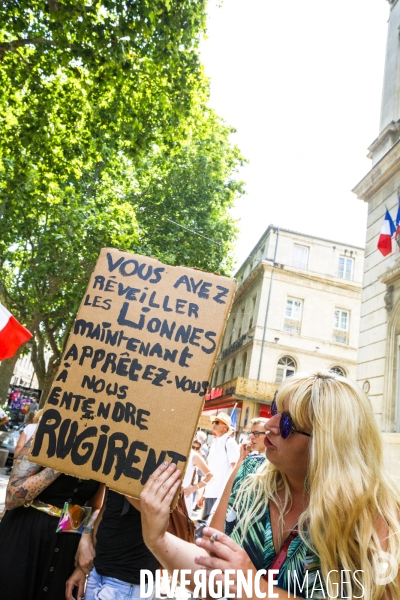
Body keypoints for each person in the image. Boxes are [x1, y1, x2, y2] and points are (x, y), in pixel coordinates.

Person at [139, 371, 400, 599]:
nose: (268, 425)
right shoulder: (248, 475)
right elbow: (210, 574)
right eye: (275, 410)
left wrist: (255, 590)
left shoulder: (376, 513)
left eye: (288, 423)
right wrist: (157, 539)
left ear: (328, 444)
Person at [0, 435, 104, 600]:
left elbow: (94, 506)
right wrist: (60, 463)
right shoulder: (48, 435)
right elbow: (13, 497)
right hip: (24, 535)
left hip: (65, 544)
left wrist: (86, 535)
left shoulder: (104, 452)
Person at [66, 489, 157, 600]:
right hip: (99, 569)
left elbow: (155, 510)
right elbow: (106, 506)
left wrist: (123, 479)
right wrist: (83, 567)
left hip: (127, 577)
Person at [203, 412, 239, 519]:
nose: (213, 424)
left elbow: (236, 468)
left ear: (225, 427)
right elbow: (209, 470)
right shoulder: (214, 444)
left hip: (220, 495)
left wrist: (228, 493)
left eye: (217, 422)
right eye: (214, 422)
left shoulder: (230, 443)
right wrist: (203, 493)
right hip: (210, 492)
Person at [182, 437, 213, 514]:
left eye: (197, 448)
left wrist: (195, 488)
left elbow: (210, 476)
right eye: (193, 447)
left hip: (183, 498)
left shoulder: (194, 456)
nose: (194, 449)